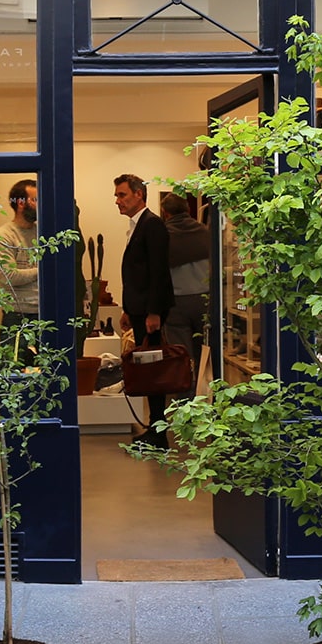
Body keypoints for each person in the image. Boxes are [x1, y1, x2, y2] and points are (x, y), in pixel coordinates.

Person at [114, 173, 173, 446]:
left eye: (122, 195)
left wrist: (153, 312)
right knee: (148, 369)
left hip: (150, 312)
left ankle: (159, 432)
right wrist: (128, 309)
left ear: (139, 194)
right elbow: (137, 274)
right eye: (117, 195)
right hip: (140, 310)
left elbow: (159, 272)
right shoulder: (138, 225)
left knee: (153, 370)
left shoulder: (152, 225)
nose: (118, 201)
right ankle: (155, 427)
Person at [160, 191, 210, 390]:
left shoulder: (163, 237)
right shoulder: (205, 232)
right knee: (205, 354)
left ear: (165, 213)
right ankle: (205, 396)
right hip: (205, 301)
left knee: (182, 357)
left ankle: (184, 398)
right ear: (188, 209)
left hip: (176, 304)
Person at [0, 179, 40, 363]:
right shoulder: (3, 236)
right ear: (21, 203)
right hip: (17, 316)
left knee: (49, 370)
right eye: (35, 199)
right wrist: (43, 270)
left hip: (45, 314)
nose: (41, 204)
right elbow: (9, 276)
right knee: (12, 369)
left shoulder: (43, 232)